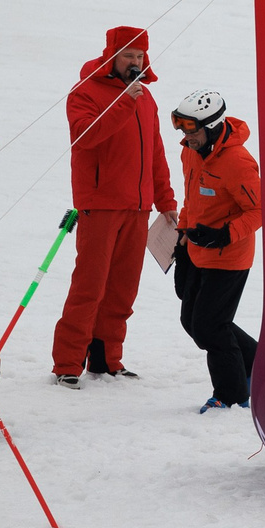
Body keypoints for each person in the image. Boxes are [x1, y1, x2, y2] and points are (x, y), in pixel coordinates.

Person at [52, 26, 177, 388]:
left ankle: (106, 360)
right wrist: (125, 100)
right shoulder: (85, 92)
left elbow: (155, 153)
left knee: (123, 289)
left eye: (140, 56)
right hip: (100, 205)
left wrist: (165, 201)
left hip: (137, 208)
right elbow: (86, 136)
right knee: (89, 286)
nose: (135, 63)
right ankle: (68, 364)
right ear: (111, 55)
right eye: (128, 56)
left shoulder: (147, 99)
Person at [171, 91, 262, 413]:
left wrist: (225, 235)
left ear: (211, 127)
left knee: (210, 325)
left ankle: (232, 394)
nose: (186, 137)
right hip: (196, 250)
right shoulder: (190, 153)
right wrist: (182, 233)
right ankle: (259, 361)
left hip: (229, 258)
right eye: (181, 129)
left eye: (191, 130)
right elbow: (192, 200)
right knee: (193, 321)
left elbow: (260, 210)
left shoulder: (237, 162)